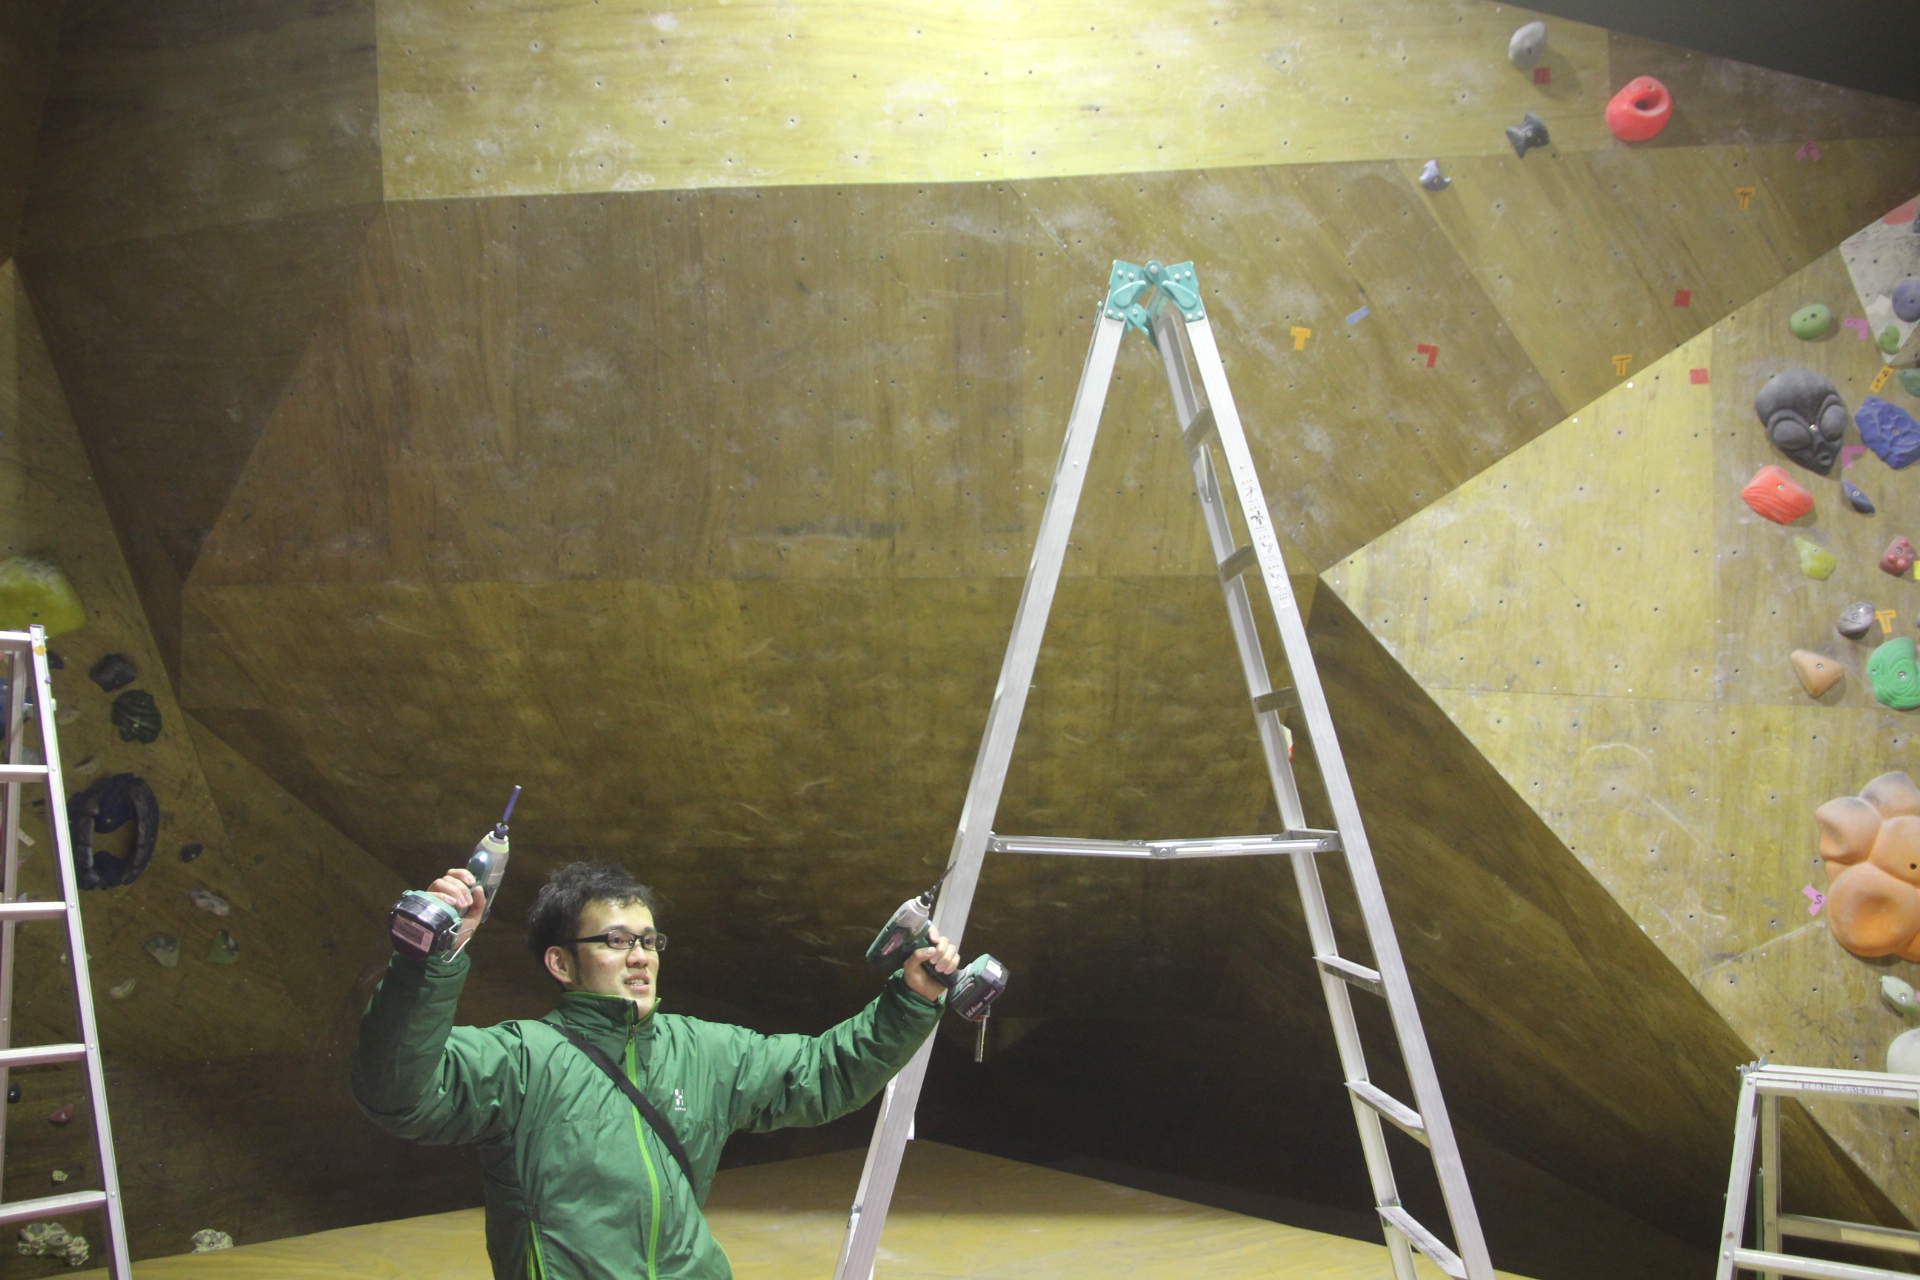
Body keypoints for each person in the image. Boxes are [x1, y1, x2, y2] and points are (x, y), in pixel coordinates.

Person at [351, 859, 957, 1280]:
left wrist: (913, 997)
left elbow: (826, 1074)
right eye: (615, 941)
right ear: (561, 963)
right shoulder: (520, 1060)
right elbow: (398, 1094)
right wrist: (427, 962)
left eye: (648, 940)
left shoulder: (704, 1051)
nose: (640, 956)